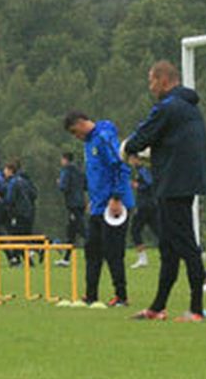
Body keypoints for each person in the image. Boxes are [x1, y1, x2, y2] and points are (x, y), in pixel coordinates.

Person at [121, 60, 206, 322]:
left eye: (151, 81)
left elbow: (140, 138)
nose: (150, 87)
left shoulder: (168, 107)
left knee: (186, 246)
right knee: (169, 249)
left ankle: (196, 310)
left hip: (174, 185)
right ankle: (157, 307)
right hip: (180, 183)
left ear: (162, 79)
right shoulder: (189, 108)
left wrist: (128, 149)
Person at [63, 111, 134, 307]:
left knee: (113, 251)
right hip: (98, 206)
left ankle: (121, 295)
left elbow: (121, 166)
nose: (76, 136)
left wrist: (116, 197)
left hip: (114, 205)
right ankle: (91, 295)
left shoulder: (104, 137)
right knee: (92, 250)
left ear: (81, 123)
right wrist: (92, 199)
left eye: (74, 131)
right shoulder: (88, 143)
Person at [1, 160, 38, 266]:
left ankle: (19, 260)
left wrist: (1, 202)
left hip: (18, 214)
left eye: (6, 170)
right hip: (28, 213)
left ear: (10, 171)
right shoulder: (24, 180)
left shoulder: (13, 182)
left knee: (16, 238)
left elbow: (10, 199)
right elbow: (33, 194)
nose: (4, 172)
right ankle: (26, 260)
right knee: (23, 238)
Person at [128, 152, 158, 269]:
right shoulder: (140, 170)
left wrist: (137, 186)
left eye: (131, 159)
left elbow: (150, 183)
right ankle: (175, 252)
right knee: (159, 231)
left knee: (135, 230)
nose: (130, 161)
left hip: (145, 205)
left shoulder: (142, 169)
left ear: (136, 159)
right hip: (150, 205)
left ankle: (142, 259)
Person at [56, 152, 85, 266]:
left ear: (65, 159)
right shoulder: (79, 170)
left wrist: (59, 183)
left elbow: (64, 187)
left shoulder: (66, 171)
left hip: (73, 204)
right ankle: (66, 259)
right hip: (80, 202)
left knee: (82, 230)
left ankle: (100, 251)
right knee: (71, 232)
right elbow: (85, 185)